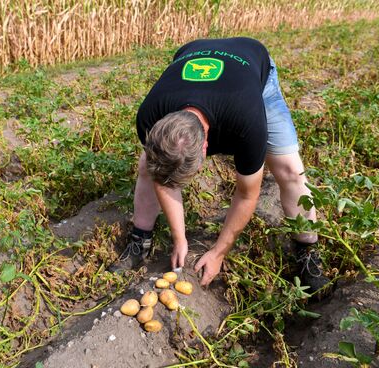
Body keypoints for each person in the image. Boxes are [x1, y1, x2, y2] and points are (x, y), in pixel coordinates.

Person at [109, 37, 330, 294]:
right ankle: (140, 241)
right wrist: (180, 238)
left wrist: (218, 252)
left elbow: (248, 194)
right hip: (193, 54)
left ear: (206, 147)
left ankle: (307, 251)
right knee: (149, 166)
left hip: (252, 67)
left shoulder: (247, 122)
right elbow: (162, 176)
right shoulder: (150, 115)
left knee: (290, 170)